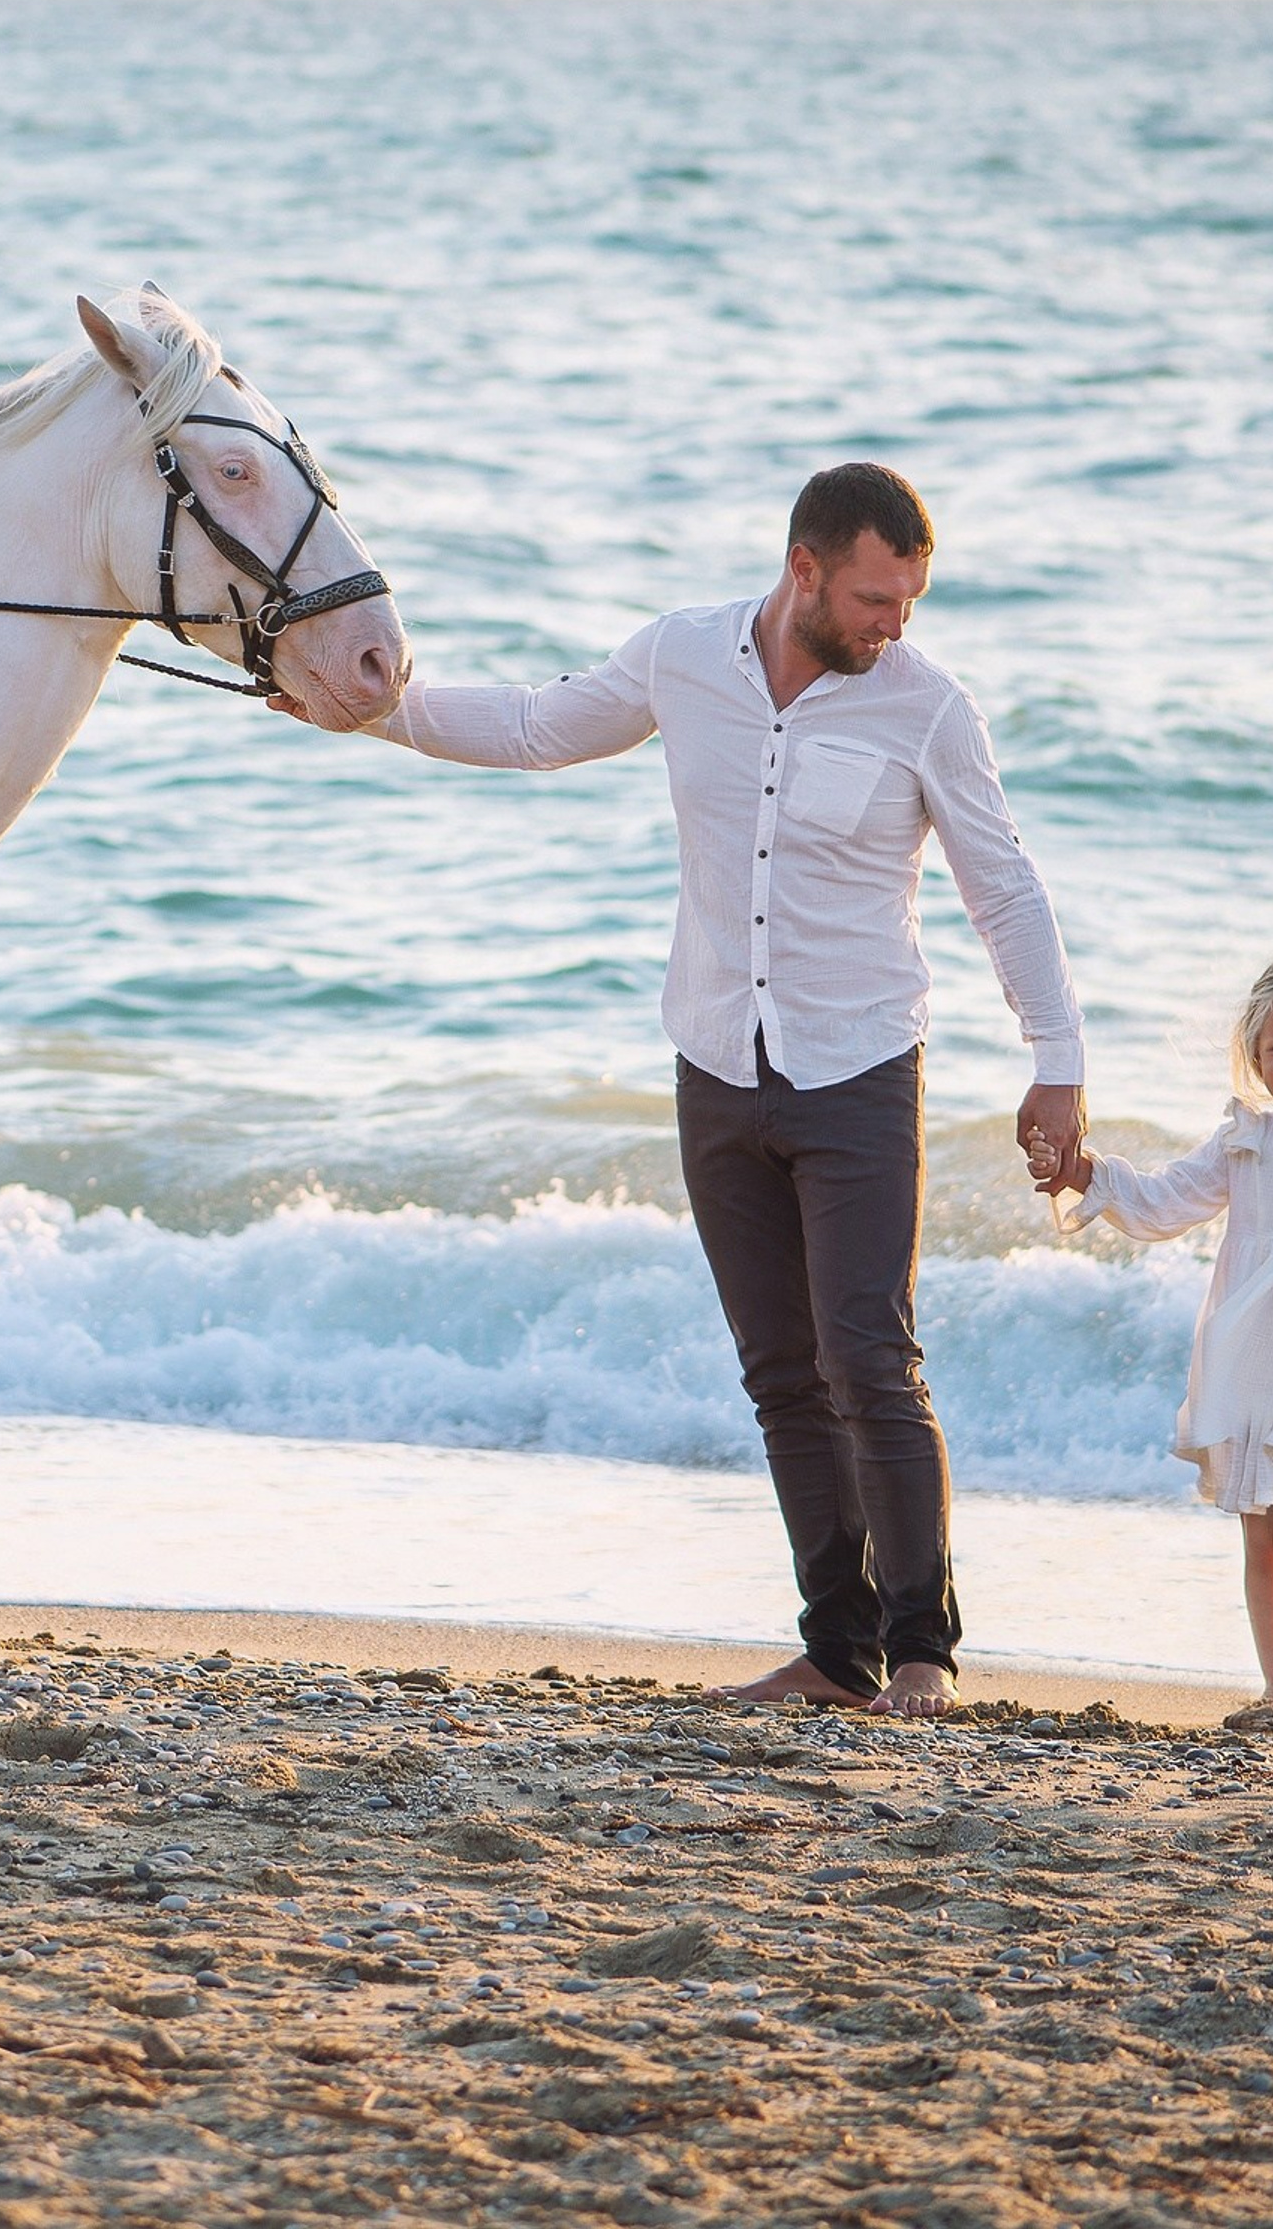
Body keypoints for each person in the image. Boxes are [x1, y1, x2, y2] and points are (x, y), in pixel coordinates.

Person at [277, 463, 1084, 1716]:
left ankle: (921, 1647)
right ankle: (836, 1648)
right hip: (715, 1060)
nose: (893, 625)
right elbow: (538, 728)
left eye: (909, 603)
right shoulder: (682, 657)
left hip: (860, 1064)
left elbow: (1004, 886)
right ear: (802, 570)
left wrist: (1056, 1063)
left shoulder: (927, 709)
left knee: (870, 1357)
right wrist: (368, 710)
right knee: (777, 1370)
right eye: (874, 598)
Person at [1028, 952, 1273, 1728]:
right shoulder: (1241, 1139)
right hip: (1243, 1364)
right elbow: (1161, 1206)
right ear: (1254, 1055)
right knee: (1259, 1545)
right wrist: (1079, 1169)